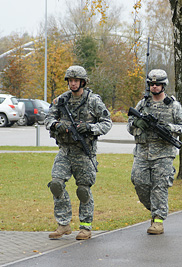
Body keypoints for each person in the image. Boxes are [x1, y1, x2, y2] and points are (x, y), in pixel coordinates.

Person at [45, 65, 112, 240]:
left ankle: (85, 227)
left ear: (83, 82)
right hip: (65, 151)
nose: (73, 84)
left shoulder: (93, 101)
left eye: (76, 81)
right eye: (70, 81)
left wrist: (89, 128)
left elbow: (106, 123)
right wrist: (56, 125)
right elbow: (48, 118)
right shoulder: (61, 100)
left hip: (84, 152)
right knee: (56, 184)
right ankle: (63, 224)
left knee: (83, 190)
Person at [127, 69, 182, 235]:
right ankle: (155, 209)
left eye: (158, 84)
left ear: (164, 86)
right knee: (139, 181)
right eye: (152, 84)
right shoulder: (142, 104)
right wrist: (137, 124)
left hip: (163, 154)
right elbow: (129, 126)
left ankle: (158, 220)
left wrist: (169, 127)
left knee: (159, 187)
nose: (154, 87)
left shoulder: (174, 106)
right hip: (142, 151)